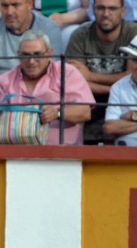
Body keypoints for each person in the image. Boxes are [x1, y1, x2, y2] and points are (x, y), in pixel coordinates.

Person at [0, 30, 94, 145]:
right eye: (25, 55)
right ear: (18, 54)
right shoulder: (3, 81)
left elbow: (84, 112)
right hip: (16, 152)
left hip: (62, 153)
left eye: (37, 55)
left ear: (49, 53)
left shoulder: (67, 73)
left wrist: (57, 113)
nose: (31, 61)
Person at [66, 0, 137, 143]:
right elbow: (74, 83)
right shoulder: (80, 35)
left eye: (112, 8)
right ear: (92, 10)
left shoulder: (134, 32)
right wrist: (114, 88)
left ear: (123, 11)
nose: (106, 14)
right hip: (90, 101)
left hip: (125, 98)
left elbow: (133, 73)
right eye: (101, 8)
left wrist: (90, 76)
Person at [0, 0, 62, 93]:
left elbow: (53, 73)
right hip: (0, 93)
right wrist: (7, 94)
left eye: (15, 5)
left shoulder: (49, 28)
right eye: (5, 6)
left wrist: (24, 97)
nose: (9, 12)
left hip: (39, 94)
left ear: (30, 4)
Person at [103, 35, 137, 144]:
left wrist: (128, 117)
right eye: (134, 60)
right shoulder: (118, 87)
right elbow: (110, 127)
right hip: (124, 154)